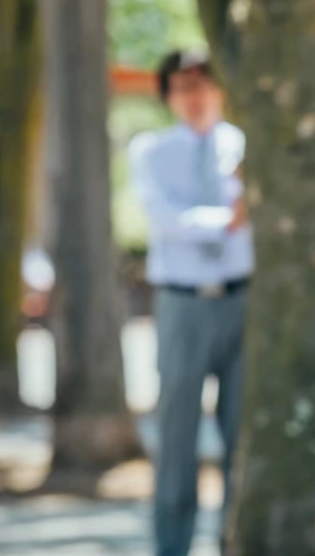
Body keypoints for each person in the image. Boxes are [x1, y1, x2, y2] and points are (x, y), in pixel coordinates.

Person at [129, 49, 252, 556]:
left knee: (240, 436)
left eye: (203, 82)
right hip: (181, 304)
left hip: (242, 301)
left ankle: (233, 542)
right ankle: (171, 547)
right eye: (182, 85)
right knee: (176, 436)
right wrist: (227, 218)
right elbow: (165, 220)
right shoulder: (151, 151)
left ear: (219, 88)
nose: (194, 94)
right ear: (168, 96)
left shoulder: (245, 146)